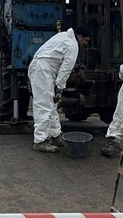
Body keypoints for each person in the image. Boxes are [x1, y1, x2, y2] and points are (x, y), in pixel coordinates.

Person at [28, 25, 92, 153]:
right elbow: (66, 69)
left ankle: (55, 135)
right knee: (44, 105)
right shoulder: (72, 45)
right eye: (86, 40)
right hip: (43, 70)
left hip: (42, 68)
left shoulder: (63, 36)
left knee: (51, 104)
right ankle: (40, 141)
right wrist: (60, 86)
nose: (86, 44)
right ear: (79, 36)